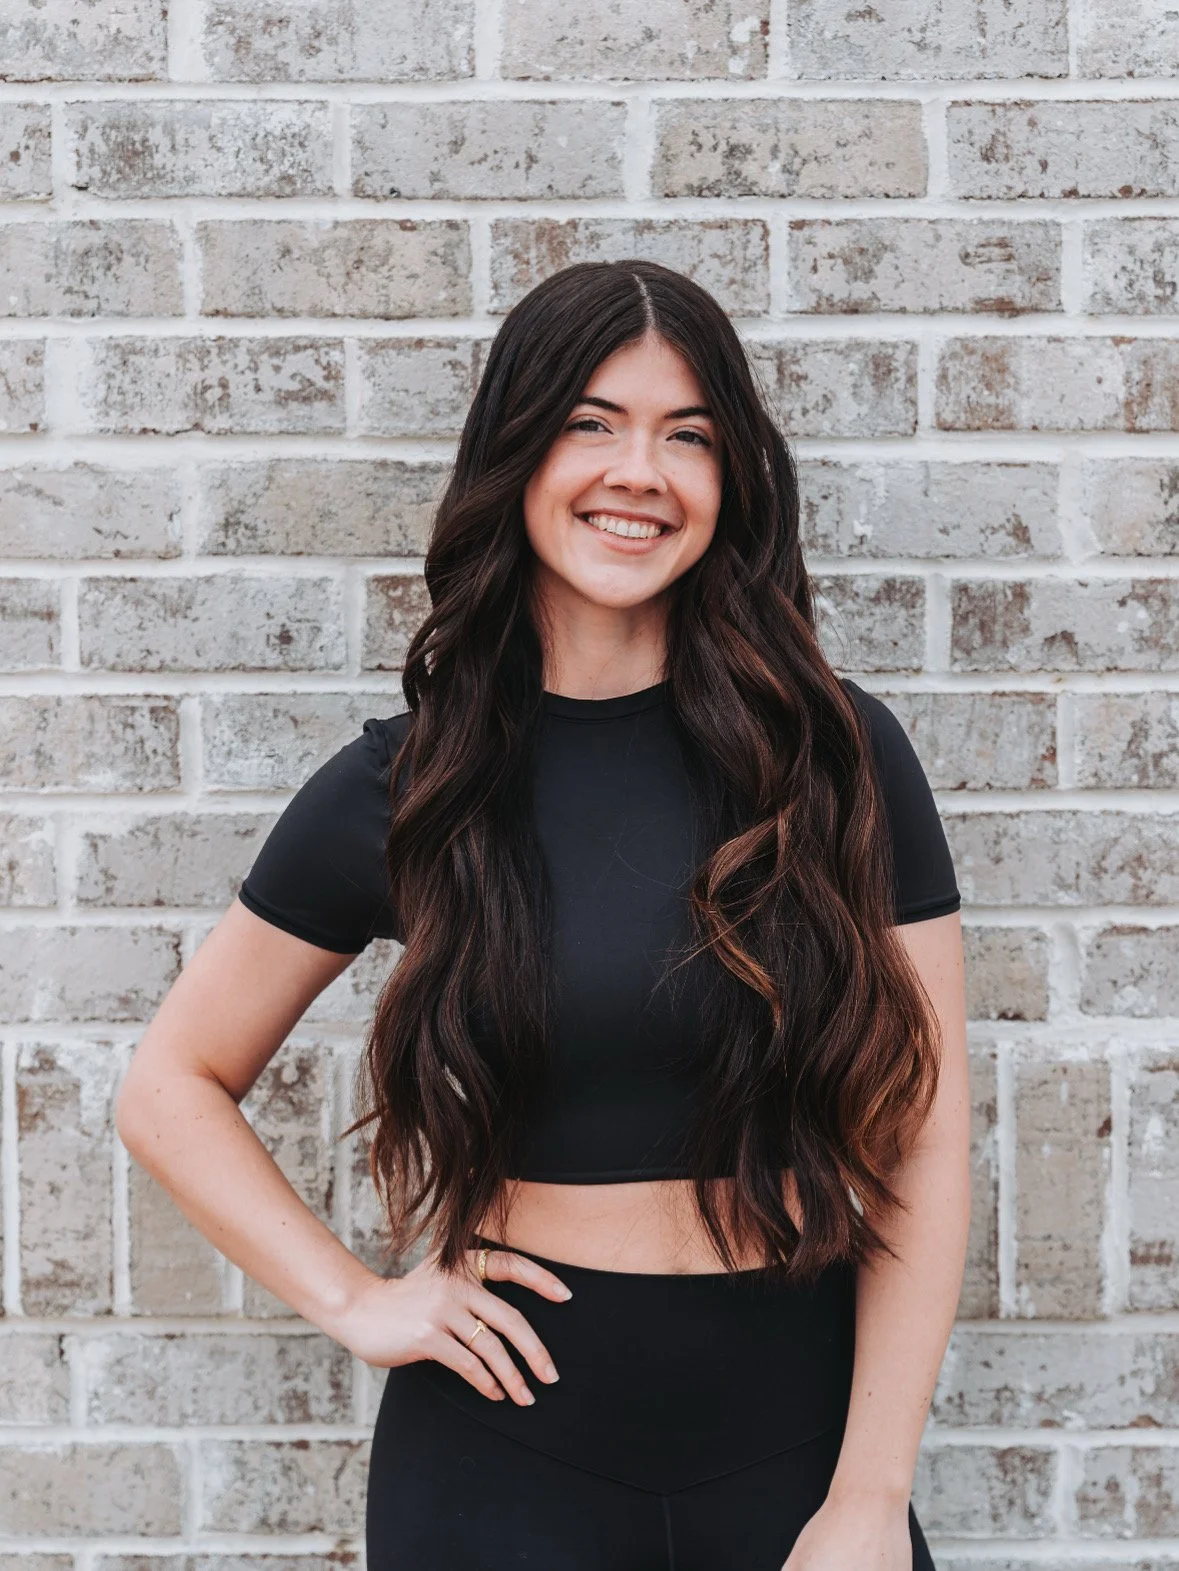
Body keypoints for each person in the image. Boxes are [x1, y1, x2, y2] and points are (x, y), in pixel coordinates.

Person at [116, 259, 971, 1571]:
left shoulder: (842, 759)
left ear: (729, 481)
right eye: (590, 423)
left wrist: (867, 1495)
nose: (639, 470)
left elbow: (922, 1140)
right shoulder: (408, 787)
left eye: (685, 435)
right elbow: (170, 1083)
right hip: (504, 1456)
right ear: (514, 455)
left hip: (798, 1452)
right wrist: (355, 1299)